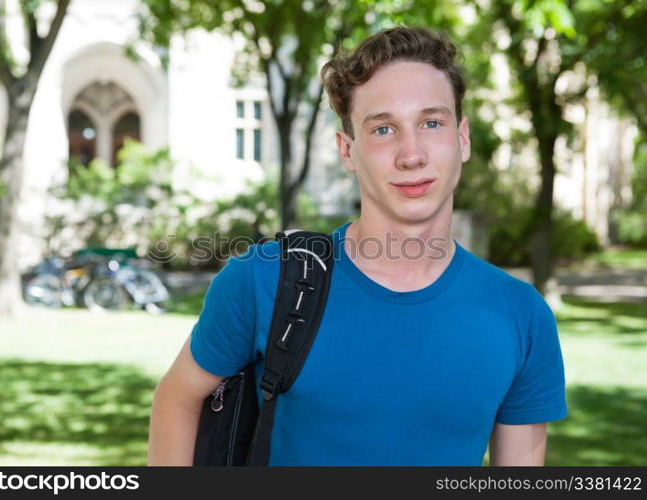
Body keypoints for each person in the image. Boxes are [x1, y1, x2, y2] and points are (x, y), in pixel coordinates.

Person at [148, 26, 567, 466]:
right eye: (384, 129)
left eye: (431, 122)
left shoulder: (521, 315)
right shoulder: (262, 280)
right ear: (347, 150)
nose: (412, 154)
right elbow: (176, 401)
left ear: (462, 137)